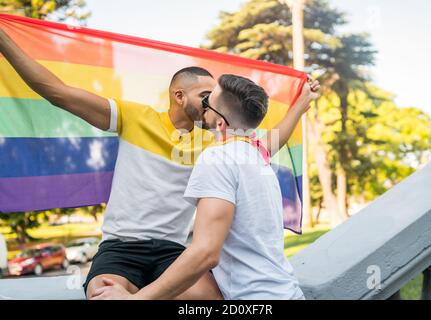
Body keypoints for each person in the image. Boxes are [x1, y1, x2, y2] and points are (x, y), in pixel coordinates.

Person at [0, 26, 318, 299]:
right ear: (179, 96)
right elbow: (59, 92)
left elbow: (271, 142)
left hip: (174, 251)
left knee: (212, 299)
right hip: (122, 247)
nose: (210, 103)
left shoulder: (216, 144)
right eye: (204, 95)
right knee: (102, 293)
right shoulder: (134, 117)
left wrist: (301, 104)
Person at [90, 74, 320, 300]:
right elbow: (270, 143)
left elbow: (205, 252)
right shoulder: (256, 156)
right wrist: (302, 103)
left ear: (220, 122)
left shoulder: (216, 158)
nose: (204, 106)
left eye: (209, 101)